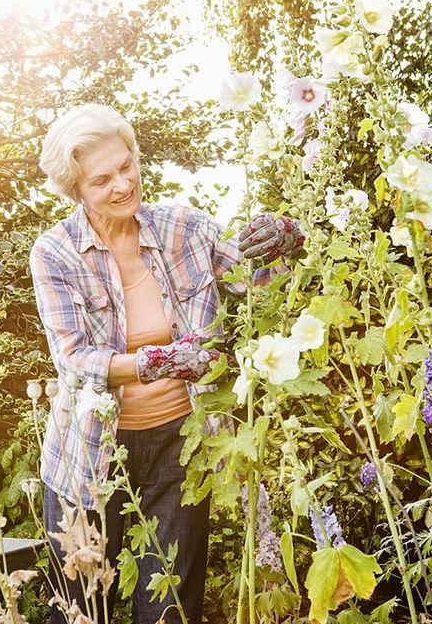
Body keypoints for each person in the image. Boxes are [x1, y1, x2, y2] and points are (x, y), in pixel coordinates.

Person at [29, 104, 304, 623]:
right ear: (75, 191)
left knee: (170, 609)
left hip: (181, 445)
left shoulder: (186, 228)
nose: (122, 185)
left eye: (126, 165)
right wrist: (160, 361)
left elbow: (262, 281)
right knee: (82, 610)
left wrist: (288, 236)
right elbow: (73, 359)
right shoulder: (55, 253)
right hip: (90, 455)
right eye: (101, 180)